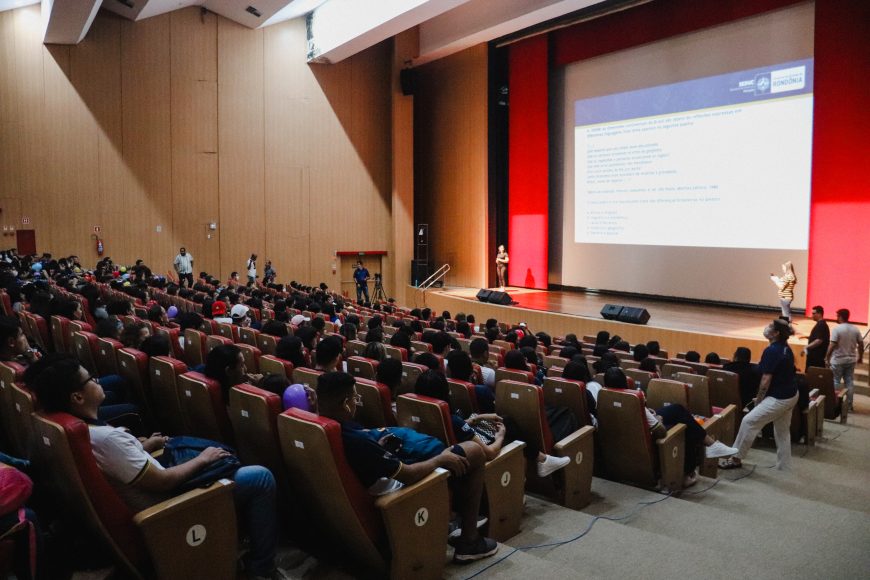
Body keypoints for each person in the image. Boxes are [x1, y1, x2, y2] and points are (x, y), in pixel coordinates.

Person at [25, 353, 287, 579]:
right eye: (90, 379)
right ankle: (261, 567)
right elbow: (163, 483)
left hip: (155, 486)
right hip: (171, 506)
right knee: (260, 478)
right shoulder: (108, 440)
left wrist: (143, 446)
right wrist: (203, 459)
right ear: (77, 397)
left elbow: (121, 463)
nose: (96, 380)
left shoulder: (81, 430)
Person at [315, 371, 499, 563]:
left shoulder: (320, 428)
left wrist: (379, 450)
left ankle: (454, 520)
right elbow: (408, 475)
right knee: (473, 452)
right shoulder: (356, 441)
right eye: (355, 397)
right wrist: (441, 460)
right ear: (345, 402)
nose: (356, 402)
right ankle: (469, 541)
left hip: (375, 478)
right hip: (398, 493)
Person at [603, 367, 737, 486]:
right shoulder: (634, 401)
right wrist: (657, 419)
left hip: (628, 432)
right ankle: (688, 473)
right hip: (647, 435)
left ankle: (712, 446)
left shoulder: (603, 397)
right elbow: (660, 432)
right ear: (625, 382)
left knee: (677, 410)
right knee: (685, 427)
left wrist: (650, 414)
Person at [721, 319, 799, 470]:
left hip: (780, 398)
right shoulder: (784, 348)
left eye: (770, 326)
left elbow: (765, 380)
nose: (766, 328)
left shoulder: (772, 351)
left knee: (748, 421)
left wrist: (759, 401)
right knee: (782, 431)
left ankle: (735, 459)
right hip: (790, 395)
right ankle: (784, 465)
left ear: (776, 333)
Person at [825, 308, 864, 412]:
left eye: (837, 316)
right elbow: (861, 343)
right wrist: (860, 356)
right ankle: (849, 405)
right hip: (851, 360)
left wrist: (827, 357)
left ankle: (835, 404)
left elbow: (832, 344)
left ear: (841, 317)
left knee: (836, 381)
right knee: (849, 382)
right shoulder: (855, 329)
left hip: (838, 360)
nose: (836, 318)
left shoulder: (837, 329)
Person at [802, 305, 830, 371]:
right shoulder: (821, 324)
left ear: (819, 314)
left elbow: (819, 340)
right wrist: (808, 337)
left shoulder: (821, 325)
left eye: (814, 313)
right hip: (816, 358)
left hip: (816, 359)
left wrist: (807, 347)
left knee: (813, 377)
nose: (812, 315)